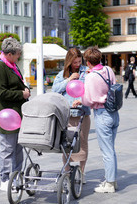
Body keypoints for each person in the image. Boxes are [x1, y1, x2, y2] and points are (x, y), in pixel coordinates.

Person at [0, 37, 31, 191]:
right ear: (9, 54)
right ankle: (5, 179)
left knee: (18, 148)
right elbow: (1, 93)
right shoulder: (0, 67)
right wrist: (22, 94)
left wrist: (25, 91)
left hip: (17, 114)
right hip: (7, 116)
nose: (18, 57)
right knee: (8, 148)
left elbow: (16, 85)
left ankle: (17, 177)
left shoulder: (12, 66)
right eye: (17, 54)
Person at [81, 47, 119, 193]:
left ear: (88, 62)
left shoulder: (91, 76)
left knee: (106, 151)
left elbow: (88, 100)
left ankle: (109, 184)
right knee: (111, 150)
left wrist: (80, 100)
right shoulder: (108, 70)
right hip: (114, 112)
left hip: (102, 113)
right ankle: (112, 180)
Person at [52, 48, 91, 182]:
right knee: (66, 143)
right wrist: (69, 79)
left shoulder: (86, 71)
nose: (77, 64)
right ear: (69, 61)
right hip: (67, 114)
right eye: (74, 62)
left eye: (79, 61)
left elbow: (89, 89)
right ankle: (67, 170)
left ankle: (82, 172)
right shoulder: (62, 74)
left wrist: (80, 99)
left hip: (82, 113)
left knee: (83, 142)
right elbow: (55, 90)